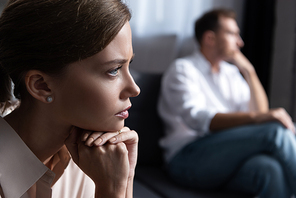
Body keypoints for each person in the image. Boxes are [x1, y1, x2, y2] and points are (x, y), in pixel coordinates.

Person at [0, 0, 140, 197]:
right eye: (113, 70)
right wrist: (111, 191)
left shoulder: (96, 159)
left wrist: (126, 176)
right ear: (42, 85)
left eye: (128, 65)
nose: (135, 89)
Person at [158, 8, 296, 198]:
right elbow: (199, 120)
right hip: (187, 158)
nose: (240, 42)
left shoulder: (231, 74)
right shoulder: (182, 70)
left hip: (224, 159)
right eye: (232, 34)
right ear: (210, 38)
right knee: (275, 131)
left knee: (269, 169)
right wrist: (262, 118)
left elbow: (259, 113)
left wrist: (249, 71)